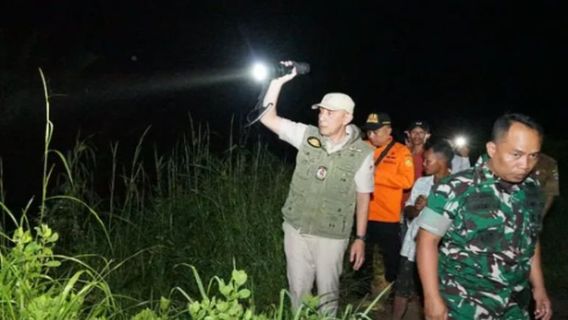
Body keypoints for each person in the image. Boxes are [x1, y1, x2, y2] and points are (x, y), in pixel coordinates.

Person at [259, 61, 375, 315]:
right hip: (296, 229)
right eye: (321, 111)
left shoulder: (363, 153)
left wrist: (361, 239)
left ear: (347, 118)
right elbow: (267, 117)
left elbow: (364, 197)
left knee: (327, 299)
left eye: (330, 113)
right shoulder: (306, 135)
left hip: (331, 237)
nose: (322, 116)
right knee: (297, 295)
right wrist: (276, 82)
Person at [416, 113, 552, 320]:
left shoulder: (531, 189)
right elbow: (427, 241)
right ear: (492, 149)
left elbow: (531, 239)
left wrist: (539, 288)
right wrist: (431, 298)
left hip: (514, 305)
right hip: (463, 304)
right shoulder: (455, 188)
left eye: (533, 155)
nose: (525, 164)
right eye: (516, 154)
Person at [392, 140, 454, 320]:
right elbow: (408, 211)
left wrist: (432, 203)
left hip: (441, 252)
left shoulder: (456, 186)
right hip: (412, 247)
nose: (424, 164)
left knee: (437, 295)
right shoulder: (422, 182)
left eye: (428, 161)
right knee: (401, 290)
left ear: (441, 162)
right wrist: (416, 208)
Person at [360, 112, 414, 288]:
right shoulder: (361, 147)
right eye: (369, 132)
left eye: (376, 131)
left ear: (389, 130)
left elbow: (407, 181)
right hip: (363, 213)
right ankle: (361, 290)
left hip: (387, 216)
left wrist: (378, 175)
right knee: (362, 255)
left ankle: (393, 290)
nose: (372, 135)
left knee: (391, 257)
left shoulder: (401, 151)